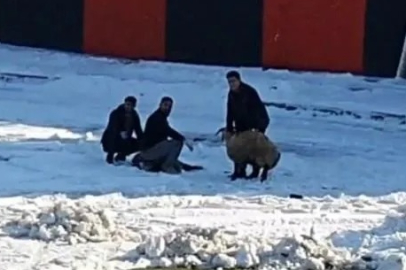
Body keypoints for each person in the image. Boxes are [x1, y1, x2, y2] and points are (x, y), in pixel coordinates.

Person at [132, 96, 197, 174]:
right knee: (176, 143)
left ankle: (157, 163)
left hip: (154, 150)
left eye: (169, 106)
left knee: (177, 165)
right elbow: (168, 131)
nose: (167, 108)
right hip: (149, 151)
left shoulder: (161, 117)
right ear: (160, 105)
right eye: (165, 105)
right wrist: (183, 139)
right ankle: (166, 166)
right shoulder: (156, 118)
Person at [225, 70, 270, 179]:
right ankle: (239, 171)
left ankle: (256, 171)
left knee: (253, 149)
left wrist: (258, 129)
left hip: (256, 124)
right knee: (238, 148)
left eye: (234, 81)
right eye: (229, 82)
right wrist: (229, 129)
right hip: (242, 125)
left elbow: (258, 111)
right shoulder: (231, 94)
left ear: (239, 81)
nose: (232, 84)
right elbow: (230, 112)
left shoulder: (249, 92)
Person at [101, 96, 143, 164]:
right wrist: (120, 133)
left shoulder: (134, 115)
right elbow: (112, 128)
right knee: (112, 137)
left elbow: (138, 130)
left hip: (126, 139)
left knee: (139, 143)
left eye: (130, 105)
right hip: (111, 139)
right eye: (127, 104)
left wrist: (143, 140)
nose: (128, 107)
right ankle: (110, 156)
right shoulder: (116, 113)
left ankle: (122, 155)